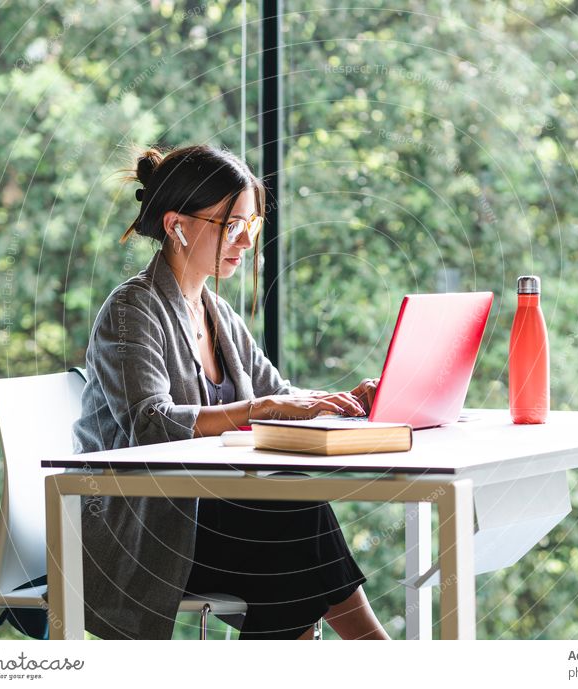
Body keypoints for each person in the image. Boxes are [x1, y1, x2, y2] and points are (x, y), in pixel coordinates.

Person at [72, 143, 390, 640]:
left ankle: (378, 657)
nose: (245, 242)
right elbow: (150, 422)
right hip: (142, 534)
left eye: (252, 226)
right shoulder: (131, 310)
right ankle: (382, 657)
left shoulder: (218, 314)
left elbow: (280, 396)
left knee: (295, 532)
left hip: (204, 523)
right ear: (177, 224)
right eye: (232, 225)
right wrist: (261, 408)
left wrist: (342, 401)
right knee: (296, 528)